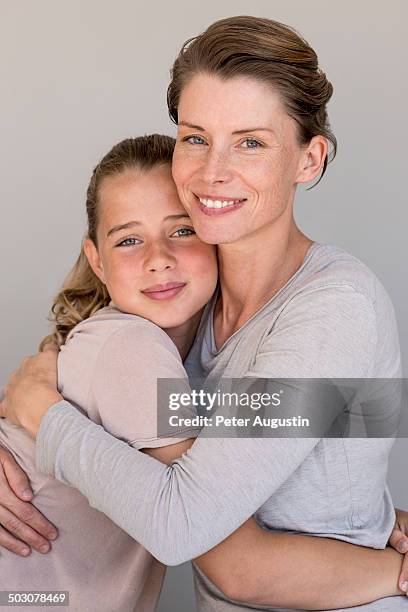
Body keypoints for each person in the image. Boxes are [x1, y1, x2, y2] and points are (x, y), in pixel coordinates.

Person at [1, 15, 408, 611]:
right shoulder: (188, 302)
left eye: (250, 141)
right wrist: (28, 403)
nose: (213, 172)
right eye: (195, 137)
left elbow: (210, 540)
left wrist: (46, 415)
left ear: (309, 159)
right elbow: (333, 441)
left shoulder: (334, 309)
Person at [0, 134, 218, 611]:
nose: (157, 258)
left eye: (181, 230)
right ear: (97, 260)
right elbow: (207, 527)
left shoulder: (178, 357)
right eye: (129, 239)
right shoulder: (131, 345)